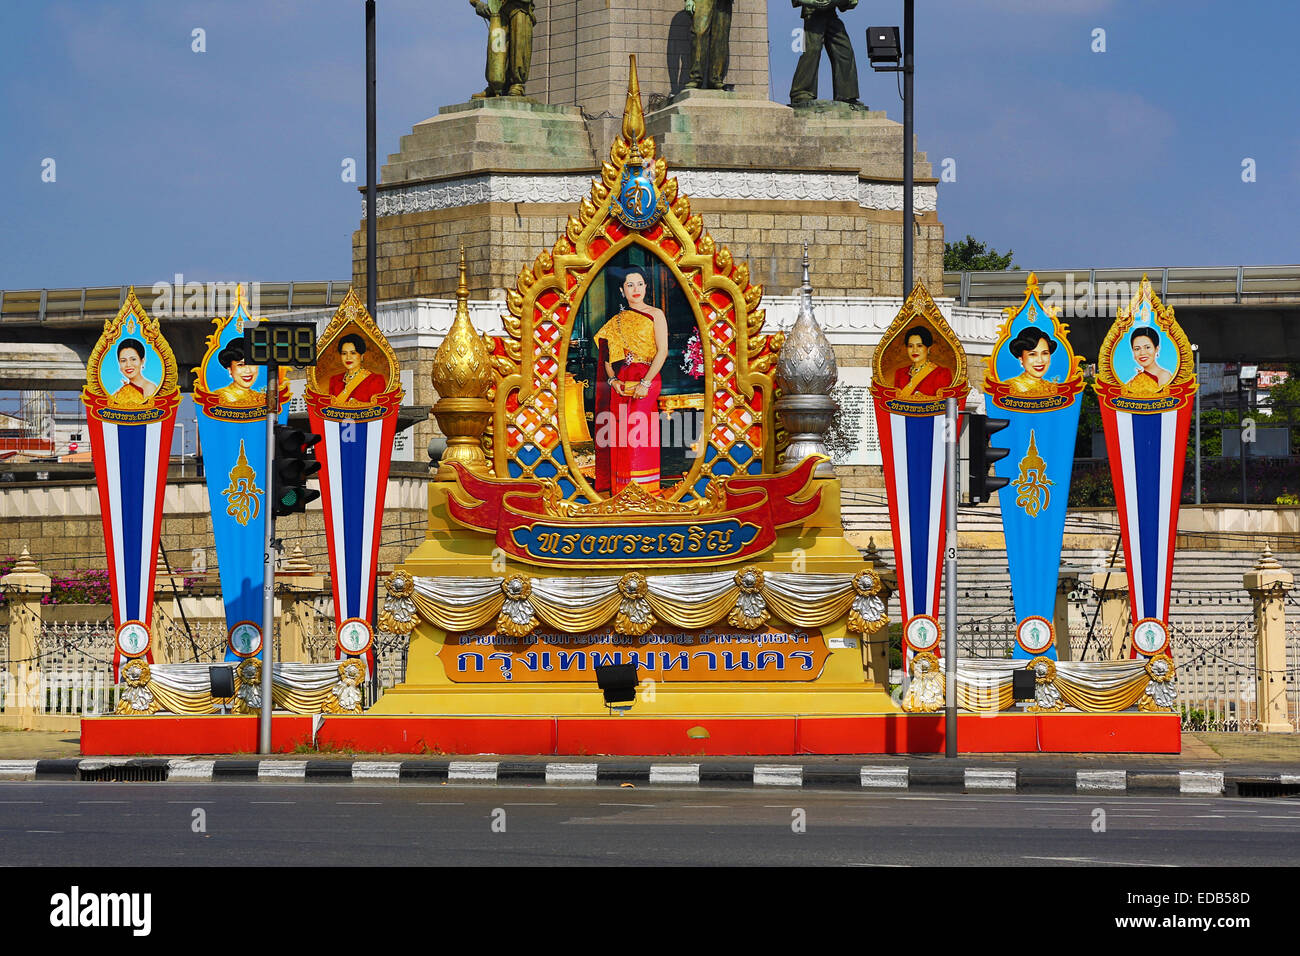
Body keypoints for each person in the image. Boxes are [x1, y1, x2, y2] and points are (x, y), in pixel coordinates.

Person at [592, 267, 669, 495]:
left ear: (646, 287)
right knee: (622, 437)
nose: (636, 289)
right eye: (630, 285)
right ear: (622, 290)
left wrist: (645, 383)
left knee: (641, 436)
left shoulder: (656, 314)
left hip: (648, 379)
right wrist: (613, 380)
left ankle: (645, 491)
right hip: (622, 383)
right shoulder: (617, 321)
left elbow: (662, 351)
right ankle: (623, 491)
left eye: (640, 284)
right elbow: (607, 357)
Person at [789, 0, 863, 108]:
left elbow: (849, 4)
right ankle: (801, 94)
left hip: (831, 14)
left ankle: (847, 94)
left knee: (845, 51)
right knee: (812, 50)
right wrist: (815, 2)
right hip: (813, 14)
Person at [469, 0, 535, 97]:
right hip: (499, 12)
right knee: (496, 48)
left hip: (519, 8)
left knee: (519, 47)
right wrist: (478, 4)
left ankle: (517, 85)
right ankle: (494, 86)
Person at [684, 0, 733, 91]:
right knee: (699, 33)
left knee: (721, 38)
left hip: (723, 3)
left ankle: (716, 79)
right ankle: (696, 77)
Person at [892, 326, 953, 399]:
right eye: (910, 346)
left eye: (919, 346)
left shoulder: (942, 373)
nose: (915, 350)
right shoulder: (900, 373)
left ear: (928, 349)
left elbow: (945, 403)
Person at [327, 334, 386, 407]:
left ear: (361, 356)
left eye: (353, 353)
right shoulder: (335, 380)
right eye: (344, 353)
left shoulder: (375, 380)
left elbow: (379, 408)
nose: (348, 357)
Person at [1121, 326, 1174, 397]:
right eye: (1137, 349)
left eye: (1147, 347)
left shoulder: (1164, 376)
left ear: (1157, 349)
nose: (1142, 353)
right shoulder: (1134, 380)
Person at [1006, 327, 1058, 397]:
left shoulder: (1051, 387)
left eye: (1045, 353)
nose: (1040, 360)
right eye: (1032, 354)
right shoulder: (1009, 387)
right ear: (1021, 359)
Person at [215, 339, 265, 408]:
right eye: (241, 365)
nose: (248, 371)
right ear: (230, 369)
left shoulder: (259, 397)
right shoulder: (219, 397)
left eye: (252, 364)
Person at [110, 338, 159, 406]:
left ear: (142, 361)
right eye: (123, 360)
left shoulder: (149, 388)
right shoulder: (123, 390)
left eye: (133, 359)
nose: (128, 365)